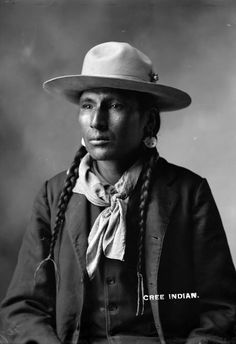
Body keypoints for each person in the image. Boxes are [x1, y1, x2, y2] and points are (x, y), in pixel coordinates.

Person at [0, 42, 236, 344]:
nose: (97, 121)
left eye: (115, 106)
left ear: (148, 121)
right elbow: (22, 308)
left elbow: (222, 308)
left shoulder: (188, 193)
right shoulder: (54, 194)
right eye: (87, 105)